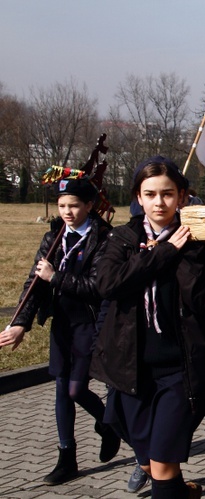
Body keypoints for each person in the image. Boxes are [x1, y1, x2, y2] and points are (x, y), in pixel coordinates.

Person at [91, 156, 205, 499]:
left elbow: (198, 298)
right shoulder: (122, 238)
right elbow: (109, 284)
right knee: (151, 462)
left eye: (167, 194)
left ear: (181, 196)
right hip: (132, 371)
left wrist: (198, 251)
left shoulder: (194, 238)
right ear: (138, 197)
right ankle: (181, 491)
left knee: (163, 463)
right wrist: (162, 253)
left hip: (180, 371)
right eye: (150, 194)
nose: (159, 202)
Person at [0, 178, 120, 485]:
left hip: (90, 324)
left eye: (75, 206)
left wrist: (56, 277)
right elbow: (34, 283)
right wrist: (19, 323)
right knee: (61, 391)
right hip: (63, 324)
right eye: (62, 205)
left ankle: (110, 425)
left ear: (90, 206)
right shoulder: (53, 237)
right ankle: (67, 457)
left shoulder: (104, 239)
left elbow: (97, 288)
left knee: (76, 389)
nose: (67, 212)